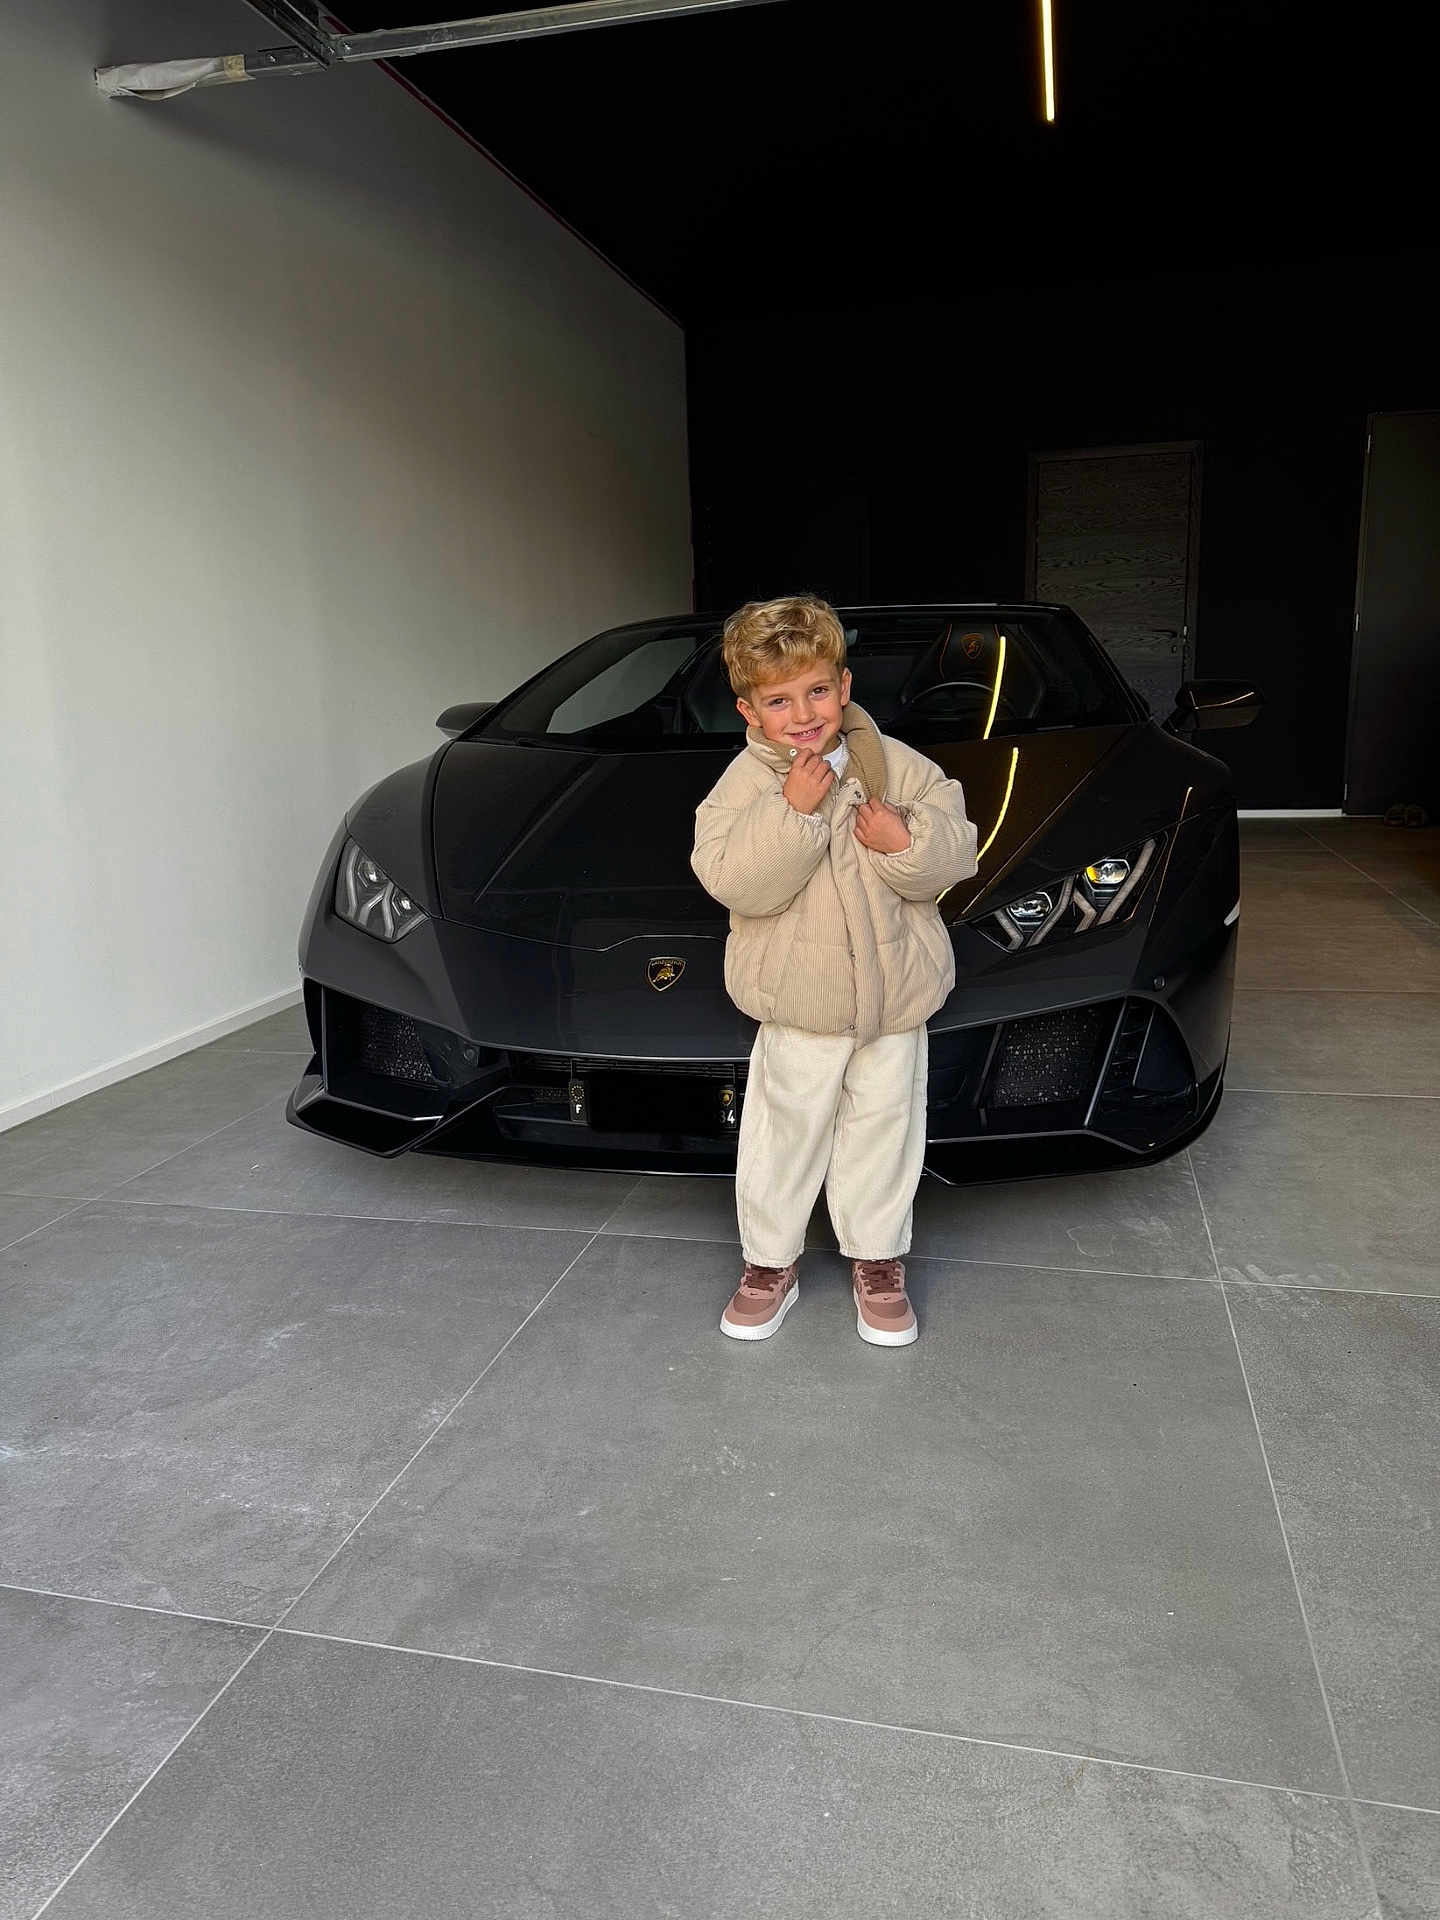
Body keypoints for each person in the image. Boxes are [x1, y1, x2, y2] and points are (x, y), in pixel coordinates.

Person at [691, 594, 979, 1348]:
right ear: (749, 711)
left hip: (895, 1001)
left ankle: (877, 1261)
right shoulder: (745, 785)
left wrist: (900, 836)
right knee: (784, 1133)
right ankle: (768, 1264)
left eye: (818, 690)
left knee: (885, 1129)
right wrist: (793, 812)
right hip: (799, 1004)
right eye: (779, 700)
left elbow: (955, 852)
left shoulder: (894, 764)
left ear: (844, 687)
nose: (804, 713)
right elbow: (735, 882)